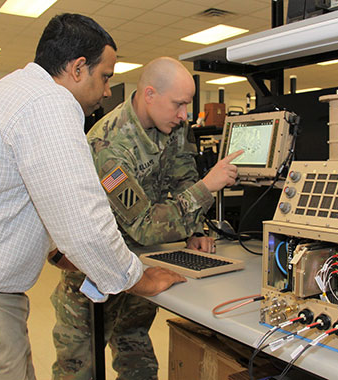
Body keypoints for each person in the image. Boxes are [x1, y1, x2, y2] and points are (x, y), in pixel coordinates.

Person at [0, 14, 185, 380]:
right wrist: (140, 278)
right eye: (106, 76)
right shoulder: (50, 104)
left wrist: (61, 254)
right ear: (78, 68)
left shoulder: (14, 92)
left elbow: (23, 200)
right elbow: (85, 223)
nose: (109, 90)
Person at [50, 57, 243, 380]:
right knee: (79, 370)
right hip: (95, 275)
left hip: (142, 266)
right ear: (150, 94)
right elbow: (145, 226)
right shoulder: (110, 145)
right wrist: (208, 186)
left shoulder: (173, 127)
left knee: (139, 364)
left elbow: (182, 176)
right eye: (178, 104)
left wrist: (194, 229)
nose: (184, 115)